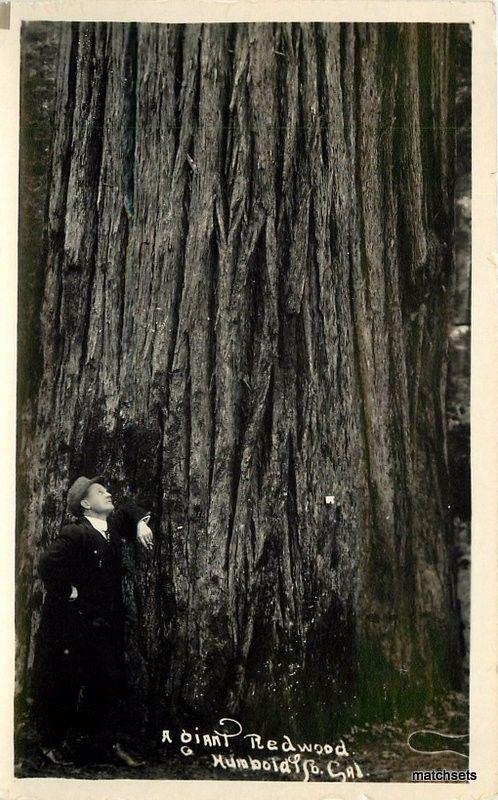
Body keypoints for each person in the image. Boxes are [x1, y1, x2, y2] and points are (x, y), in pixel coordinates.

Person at [32, 475, 153, 768]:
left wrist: (139, 523)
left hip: (104, 623)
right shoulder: (76, 533)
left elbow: (131, 510)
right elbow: (47, 563)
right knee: (65, 681)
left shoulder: (111, 526)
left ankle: (104, 742)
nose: (108, 493)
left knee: (107, 681)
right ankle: (52, 743)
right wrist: (67, 590)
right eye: (101, 492)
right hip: (72, 624)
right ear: (86, 503)